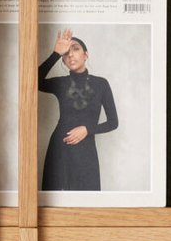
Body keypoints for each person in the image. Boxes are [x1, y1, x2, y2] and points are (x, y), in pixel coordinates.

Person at [39, 28, 118, 192]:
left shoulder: (101, 84)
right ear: (63, 60)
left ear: (86, 55)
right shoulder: (61, 83)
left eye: (75, 49)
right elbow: (33, 80)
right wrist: (55, 54)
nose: (70, 55)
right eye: (66, 53)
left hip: (86, 151)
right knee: (55, 200)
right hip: (59, 150)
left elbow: (113, 122)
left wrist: (87, 129)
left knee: (87, 200)